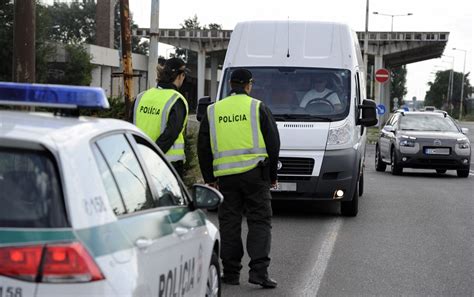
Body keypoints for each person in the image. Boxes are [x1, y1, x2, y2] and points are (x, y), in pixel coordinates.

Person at [197, 68, 280, 289]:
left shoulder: (213, 111)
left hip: (225, 178)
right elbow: (273, 144)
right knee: (259, 221)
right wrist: (272, 176)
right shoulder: (257, 107)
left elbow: (203, 147)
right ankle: (259, 273)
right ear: (248, 85)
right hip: (255, 175)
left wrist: (209, 178)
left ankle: (231, 273)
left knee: (229, 223)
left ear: (230, 84)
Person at [132, 58, 189, 177]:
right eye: (184, 75)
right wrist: (153, 156)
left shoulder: (141, 97)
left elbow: (129, 127)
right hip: (168, 165)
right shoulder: (176, 100)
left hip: (139, 162)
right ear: (179, 76)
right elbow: (170, 134)